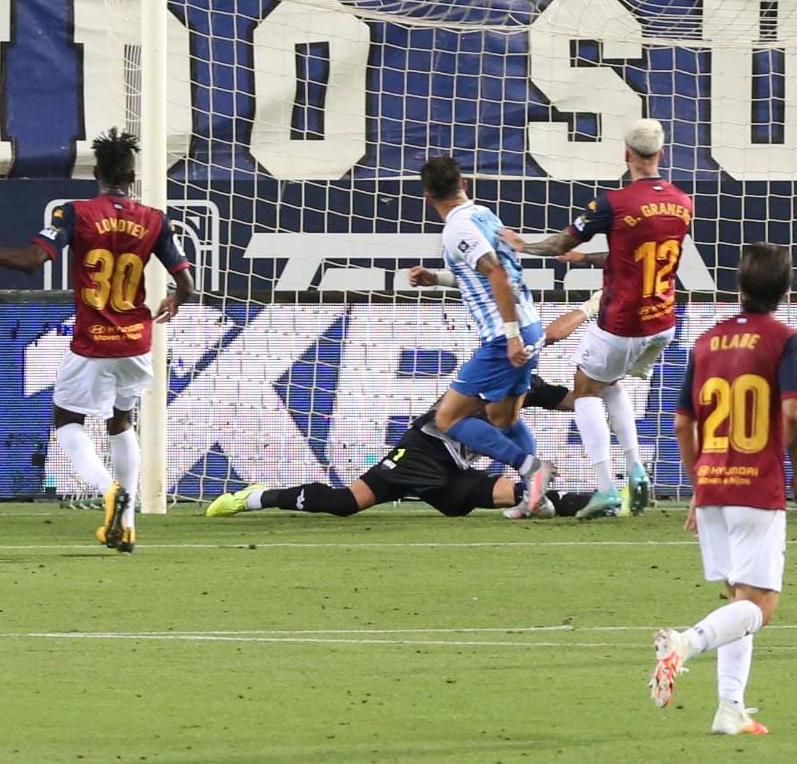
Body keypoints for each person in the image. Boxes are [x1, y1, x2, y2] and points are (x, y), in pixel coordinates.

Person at [0, 128, 194, 554]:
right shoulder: (155, 219)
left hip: (93, 344)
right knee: (121, 421)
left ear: (97, 173)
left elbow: (30, 262)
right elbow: (187, 283)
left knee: (68, 421)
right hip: (137, 343)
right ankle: (125, 525)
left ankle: (109, 492)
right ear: (132, 173)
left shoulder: (76, 213)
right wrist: (177, 297)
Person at [205, 294, 603, 523]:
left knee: (533, 501)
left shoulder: (525, 383)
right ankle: (257, 498)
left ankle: (605, 500)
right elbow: (543, 339)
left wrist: (606, 384)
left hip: (454, 471)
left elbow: (575, 400)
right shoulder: (481, 378)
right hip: (420, 452)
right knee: (346, 504)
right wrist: (592, 305)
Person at [650, 243, 797, 736]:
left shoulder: (704, 342)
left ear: (739, 288)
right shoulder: (787, 340)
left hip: (713, 485)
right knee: (760, 606)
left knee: (737, 600)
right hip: (757, 485)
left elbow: (682, 423)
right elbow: (793, 412)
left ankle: (730, 709)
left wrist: (698, 482)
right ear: (786, 291)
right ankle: (687, 643)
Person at [498, 117, 693, 519]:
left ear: (627, 155)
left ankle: (606, 487)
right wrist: (586, 259)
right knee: (610, 382)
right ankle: (637, 469)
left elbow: (560, 241)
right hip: (663, 322)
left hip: (624, 321)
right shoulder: (682, 201)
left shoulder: (613, 203)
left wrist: (524, 245)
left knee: (586, 389)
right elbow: (638, 255)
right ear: (662, 154)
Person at [404, 156, 559, 517]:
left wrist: (509, 337)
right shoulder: (484, 216)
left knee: (448, 419)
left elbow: (499, 276)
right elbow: (483, 278)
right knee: (504, 418)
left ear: (427, 197)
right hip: (529, 325)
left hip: (504, 336)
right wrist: (436, 279)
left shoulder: (457, 229)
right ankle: (537, 498)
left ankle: (532, 470)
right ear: (465, 185)